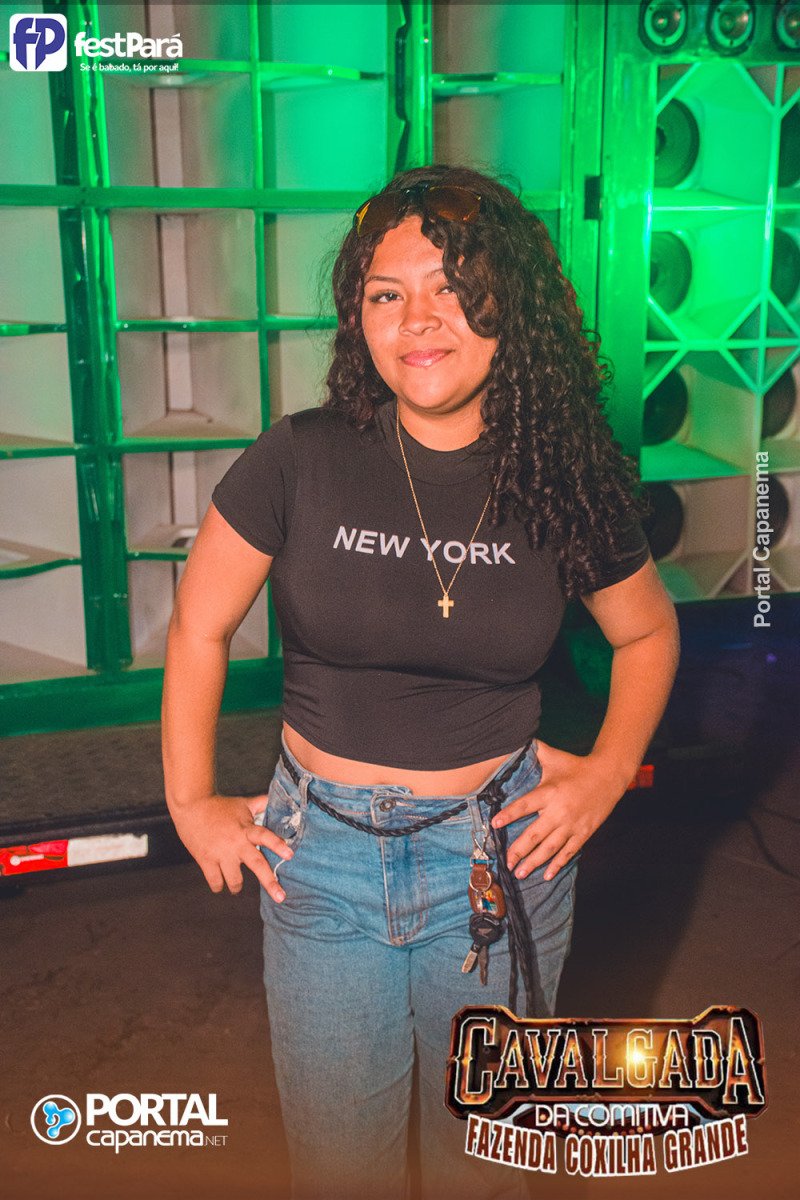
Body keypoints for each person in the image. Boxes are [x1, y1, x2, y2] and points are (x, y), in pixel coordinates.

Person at [162, 164, 679, 1200]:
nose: (417, 321)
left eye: (452, 288)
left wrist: (606, 772)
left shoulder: (560, 476)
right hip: (317, 863)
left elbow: (649, 633)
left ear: (509, 307)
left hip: (498, 859)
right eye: (386, 294)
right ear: (358, 317)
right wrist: (189, 799)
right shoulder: (300, 457)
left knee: (483, 1167)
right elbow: (198, 626)